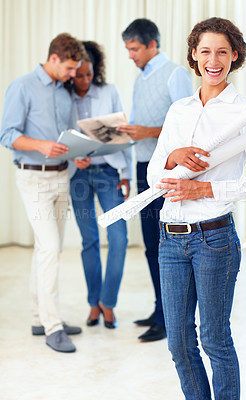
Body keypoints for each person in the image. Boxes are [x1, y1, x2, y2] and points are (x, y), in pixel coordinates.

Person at [147, 17, 246, 399]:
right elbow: (155, 176)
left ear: (235, 56)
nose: (213, 60)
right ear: (193, 56)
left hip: (214, 239)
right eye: (205, 51)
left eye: (222, 51)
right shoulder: (178, 111)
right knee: (179, 344)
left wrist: (202, 188)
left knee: (215, 341)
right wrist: (172, 156)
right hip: (170, 240)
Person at [0, 33, 85, 353]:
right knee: (50, 248)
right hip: (33, 179)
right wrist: (41, 146)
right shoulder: (22, 86)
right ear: (53, 59)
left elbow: (66, 135)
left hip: (62, 176)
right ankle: (53, 326)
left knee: (47, 248)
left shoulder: (64, 93)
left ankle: (39, 316)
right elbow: (7, 135)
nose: (72, 75)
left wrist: (75, 151)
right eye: (69, 68)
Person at [118, 18, 193, 342]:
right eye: (128, 50)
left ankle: (170, 317)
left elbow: (189, 127)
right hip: (143, 167)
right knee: (151, 243)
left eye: (134, 49)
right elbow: (137, 123)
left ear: (152, 44)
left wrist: (148, 132)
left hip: (168, 172)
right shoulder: (139, 79)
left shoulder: (175, 74)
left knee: (168, 244)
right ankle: (160, 308)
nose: (131, 56)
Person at [67, 41, 132, 329]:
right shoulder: (62, 97)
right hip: (77, 175)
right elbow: (60, 138)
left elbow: (123, 131)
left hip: (108, 172)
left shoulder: (110, 92)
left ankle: (108, 302)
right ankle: (94, 304)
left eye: (88, 74)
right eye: (78, 75)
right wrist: (73, 158)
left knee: (118, 238)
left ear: (96, 70)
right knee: (89, 241)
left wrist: (127, 173)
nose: (83, 81)